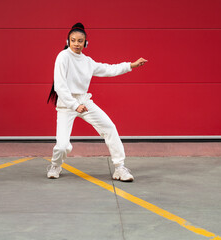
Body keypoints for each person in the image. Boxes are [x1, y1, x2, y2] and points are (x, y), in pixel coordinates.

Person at [47, 22, 147, 182]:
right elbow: (60, 86)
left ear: (85, 43)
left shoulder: (87, 62)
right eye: (73, 40)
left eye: (80, 41)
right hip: (67, 104)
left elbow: (109, 69)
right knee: (62, 146)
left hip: (84, 101)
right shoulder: (63, 57)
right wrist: (74, 105)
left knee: (109, 127)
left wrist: (131, 65)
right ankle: (55, 165)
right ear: (68, 41)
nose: (76, 44)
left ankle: (120, 167)